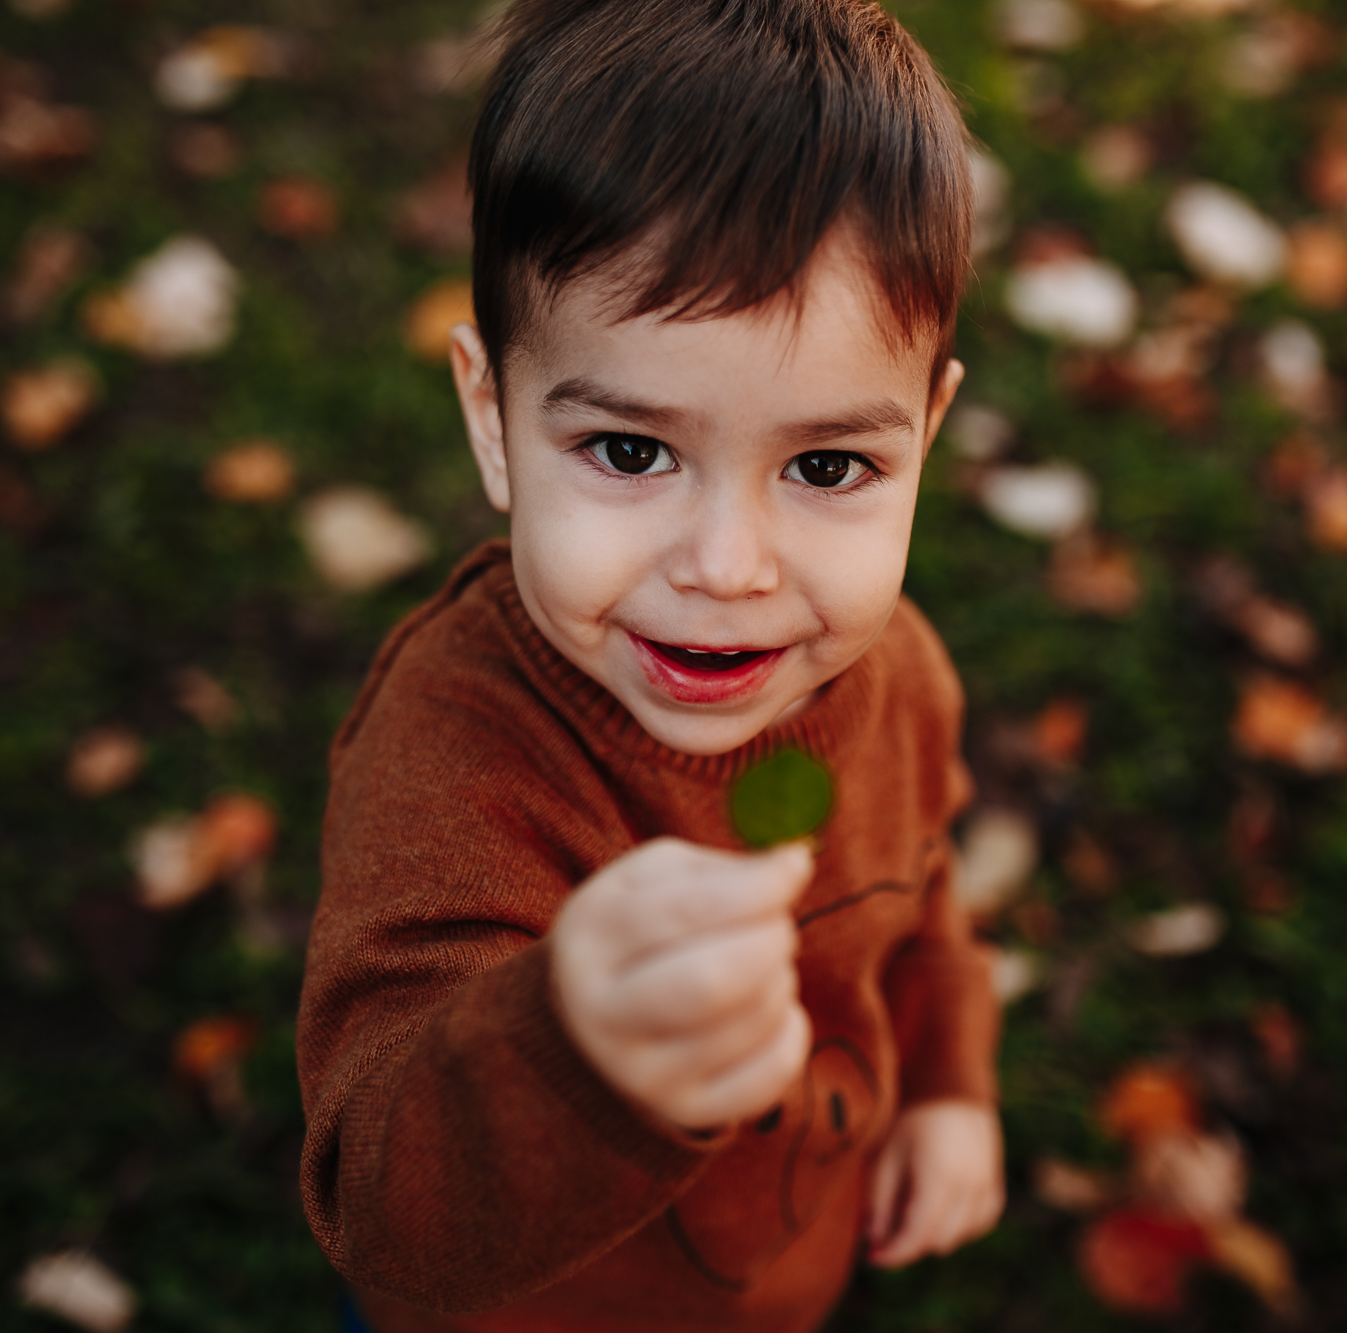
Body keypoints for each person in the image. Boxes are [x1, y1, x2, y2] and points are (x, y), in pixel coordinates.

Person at [297, 1, 1003, 1328]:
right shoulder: (456, 759)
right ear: (493, 419)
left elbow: (922, 890)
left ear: (931, 427)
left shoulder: (894, 673)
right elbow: (380, 1199)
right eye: (629, 452)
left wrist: (954, 1081)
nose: (728, 568)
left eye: (829, 466)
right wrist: (568, 1046)